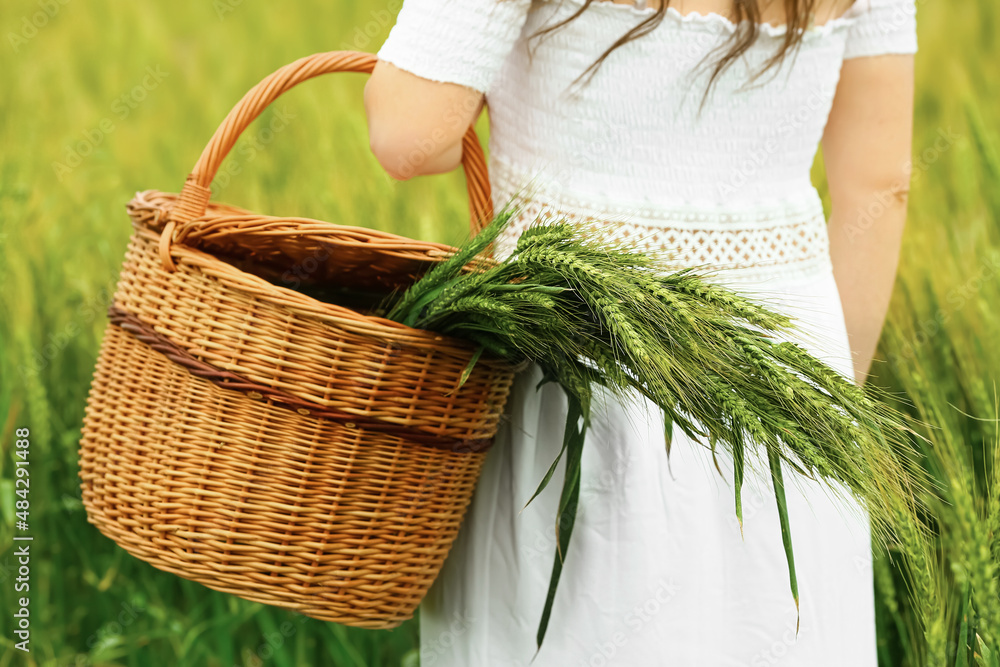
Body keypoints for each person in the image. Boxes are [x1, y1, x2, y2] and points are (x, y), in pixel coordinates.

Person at [363, 0, 916, 664]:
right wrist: (811, 418)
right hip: (790, 388)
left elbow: (407, 133)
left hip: (583, 376)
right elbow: (879, 189)